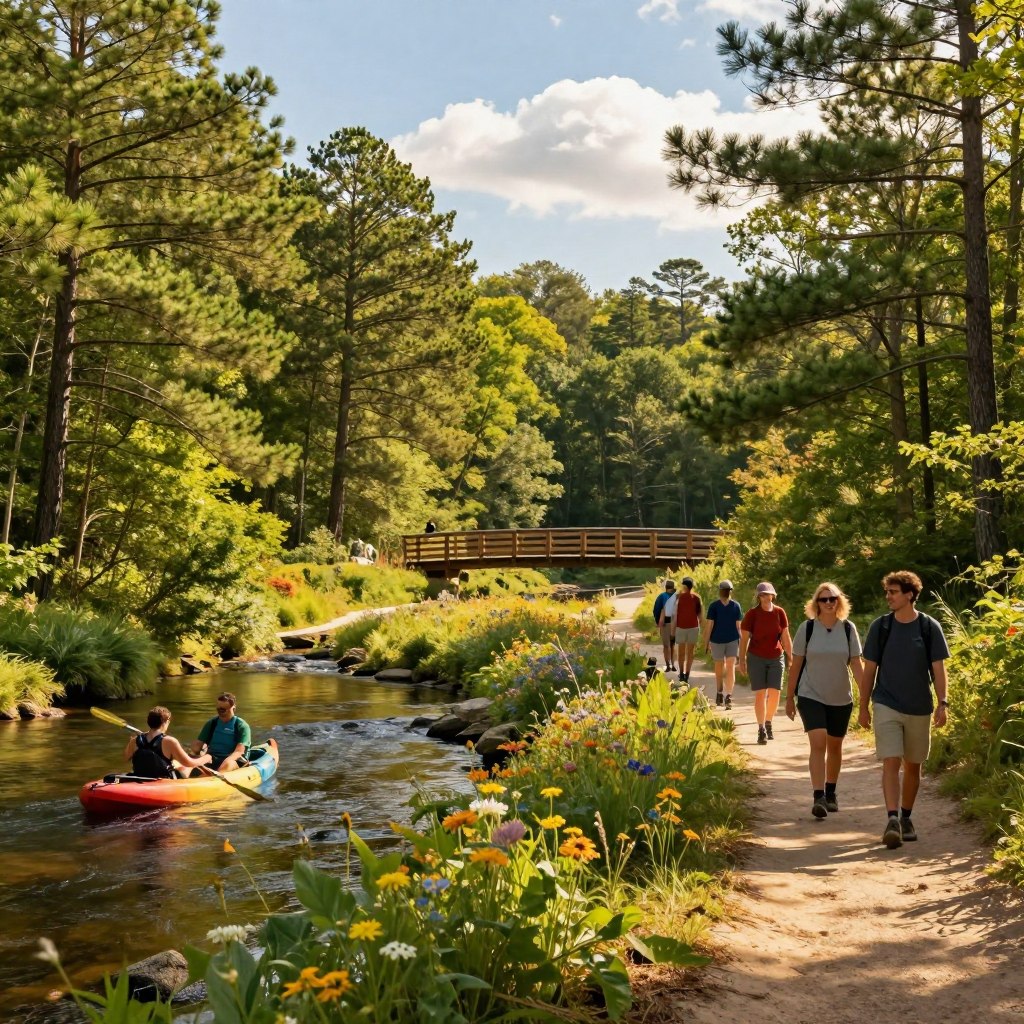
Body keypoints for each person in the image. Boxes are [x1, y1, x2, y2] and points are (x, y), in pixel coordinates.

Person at [858, 570, 950, 849]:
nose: (888, 597)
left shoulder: (928, 627)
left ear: (909, 595)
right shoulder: (881, 627)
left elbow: (938, 669)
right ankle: (892, 819)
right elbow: (869, 669)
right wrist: (863, 706)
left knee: (913, 765)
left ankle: (907, 817)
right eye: (887, 592)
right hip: (886, 702)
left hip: (919, 706)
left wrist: (943, 703)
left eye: (893, 592)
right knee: (891, 760)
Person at [785, 582, 864, 818]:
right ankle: (818, 796)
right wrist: (789, 698)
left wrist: (868, 697)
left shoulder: (848, 629)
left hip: (841, 697)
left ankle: (831, 792)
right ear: (816, 603)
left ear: (839, 602)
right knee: (818, 742)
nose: (829, 603)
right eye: (823, 599)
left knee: (835, 746)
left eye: (833, 599)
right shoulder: (807, 629)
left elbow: (857, 666)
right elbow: (796, 665)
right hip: (811, 694)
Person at [739, 582, 792, 745]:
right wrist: (742, 660)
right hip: (756, 657)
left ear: (772, 595)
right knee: (761, 693)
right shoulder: (752, 614)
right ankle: (761, 728)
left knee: (775, 692)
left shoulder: (779, 613)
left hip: (776, 656)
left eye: (768, 594)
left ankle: (768, 721)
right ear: (758, 597)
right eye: (762, 594)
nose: (765, 597)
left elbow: (785, 637)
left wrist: (792, 657)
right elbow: (745, 639)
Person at [125, 706, 212, 779]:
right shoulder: (170, 741)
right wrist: (206, 758)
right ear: (165, 722)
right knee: (186, 767)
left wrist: (132, 743)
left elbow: (126, 758)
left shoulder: (135, 740)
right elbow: (189, 763)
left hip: (140, 777)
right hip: (163, 780)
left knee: (177, 764)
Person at [703, 580, 742, 709]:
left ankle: (728, 696)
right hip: (716, 640)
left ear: (731, 591)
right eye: (724, 590)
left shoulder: (736, 606)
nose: (726, 592)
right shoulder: (714, 606)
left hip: (732, 639)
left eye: (728, 590)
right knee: (719, 666)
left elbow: (738, 627)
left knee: (730, 666)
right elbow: (710, 625)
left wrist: (742, 643)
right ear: (720, 591)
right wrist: (706, 642)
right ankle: (719, 692)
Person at [190, 692, 252, 772]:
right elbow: (197, 745)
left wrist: (225, 762)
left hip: (233, 760)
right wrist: (194, 754)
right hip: (213, 757)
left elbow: (239, 752)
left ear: (233, 708)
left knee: (228, 764)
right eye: (218, 709)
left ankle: (215, 778)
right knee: (204, 758)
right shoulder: (212, 723)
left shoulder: (241, 726)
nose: (220, 711)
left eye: (223, 709)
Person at [674, 576, 703, 683]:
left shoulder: (678, 597)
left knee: (682, 652)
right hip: (693, 628)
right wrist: (700, 627)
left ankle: (682, 674)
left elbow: (673, 613)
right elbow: (700, 615)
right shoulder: (696, 598)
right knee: (690, 653)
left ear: (684, 586)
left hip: (682, 627)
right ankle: (686, 674)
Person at [652, 579, 678, 672]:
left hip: (665, 623)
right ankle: (673, 664)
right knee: (673, 645)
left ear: (666, 587)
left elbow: (656, 610)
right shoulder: (677, 596)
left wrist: (658, 621)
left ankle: (668, 665)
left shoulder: (662, 596)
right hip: (676, 623)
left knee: (666, 646)